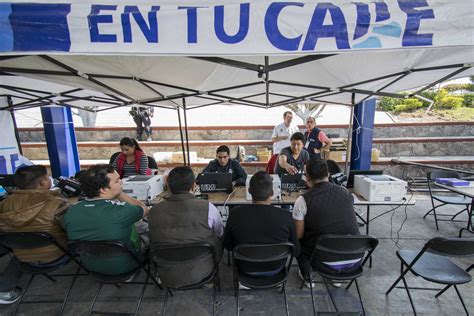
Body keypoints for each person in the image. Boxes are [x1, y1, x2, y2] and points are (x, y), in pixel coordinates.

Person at [0, 165, 70, 303]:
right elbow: (72, 229)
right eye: (48, 176)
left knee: (24, 242)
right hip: (58, 254)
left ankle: (5, 290)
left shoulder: (3, 205)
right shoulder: (57, 203)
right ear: (43, 182)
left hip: (22, 254)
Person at [63, 164, 149, 275]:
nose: (121, 182)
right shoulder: (122, 211)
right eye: (117, 181)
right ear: (103, 189)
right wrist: (119, 194)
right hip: (126, 267)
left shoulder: (71, 211)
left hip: (91, 267)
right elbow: (145, 209)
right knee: (146, 228)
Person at [148, 166, 223, 288]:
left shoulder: (154, 211)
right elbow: (219, 233)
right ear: (194, 186)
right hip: (202, 271)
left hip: (167, 274)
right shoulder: (208, 207)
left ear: (168, 186)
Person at [292, 159, 361, 287]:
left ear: (307, 178)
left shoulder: (303, 200)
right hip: (355, 258)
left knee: (296, 240)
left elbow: (299, 235)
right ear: (328, 175)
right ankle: (337, 277)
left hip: (323, 259)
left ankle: (307, 275)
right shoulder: (345, 192)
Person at [224, 171, 300, 275]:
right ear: (272, 193)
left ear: (249, 191)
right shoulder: (286, 216)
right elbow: (296, 250)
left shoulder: (235, 214)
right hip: (276, 268)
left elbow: (228, 246)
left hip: (245, 268)